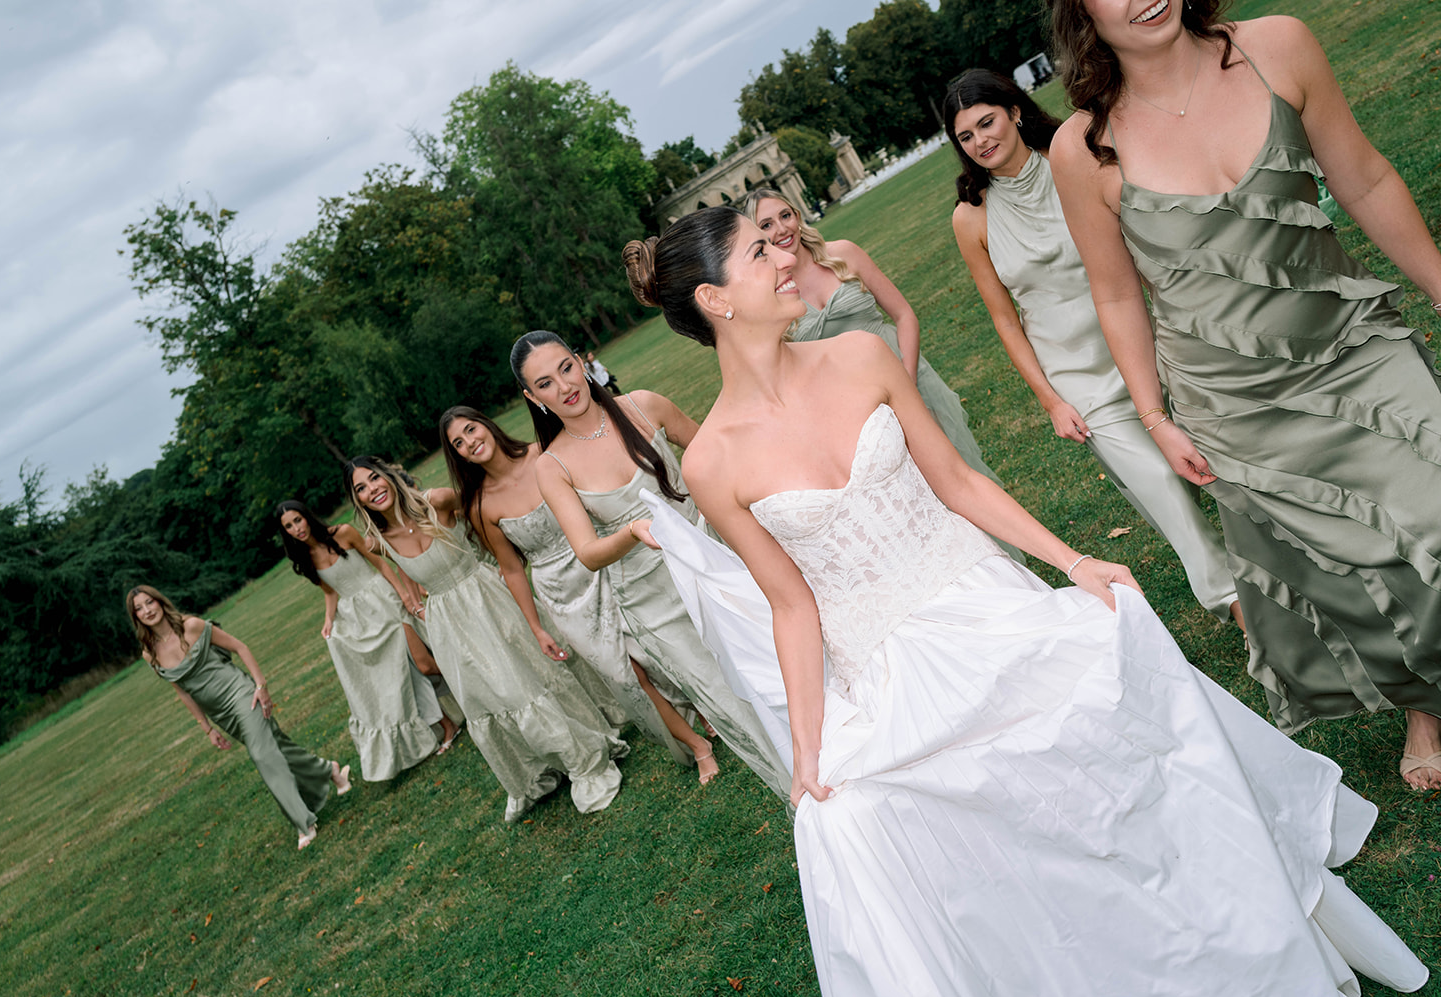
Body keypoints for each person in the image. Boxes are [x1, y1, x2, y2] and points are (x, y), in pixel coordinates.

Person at [621, 205, 1427, 997]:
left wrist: (1072, 561)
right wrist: (806, 754)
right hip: (889, 672)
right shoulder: (708, 463)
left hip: (977, 598)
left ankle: (1223, 955)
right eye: (759, 252)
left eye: (776, 241)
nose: (786, 257)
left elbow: (960, 481)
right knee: (902, 836)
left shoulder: (858, 354)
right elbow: (790, 607)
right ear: (715, 299)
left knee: (1107, 771)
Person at [1046, 1, 1441, 790]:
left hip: (1350, 351)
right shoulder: (1083, 148)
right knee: (1349, 567)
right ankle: (1424, 705)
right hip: (1233, 401)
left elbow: (1362, 177)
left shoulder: (1275, 47)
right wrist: (1154, 417)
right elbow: (1116, 296)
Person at [945, 68, 1241, 626]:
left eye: (987, 122)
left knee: (1214, 467)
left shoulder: (1075, 160)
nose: (981, 141)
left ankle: (1285, 567)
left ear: (1014, 111)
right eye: (966, 136)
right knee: (1164, 492)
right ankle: (1240, 607)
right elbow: (1005, 322)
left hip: (1148, 344)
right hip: (1078, 380)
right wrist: (1051, 400)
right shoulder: (971, 218)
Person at [514, 330, 790, 799]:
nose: (563, 387)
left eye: (565, 368)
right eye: (545, 384)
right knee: (732, 702)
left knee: (778, 670)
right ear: (532, 397)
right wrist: (630, 532)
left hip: (717, 561)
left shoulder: (643, 406)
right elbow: (587, 551)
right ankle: (800, 795)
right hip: (654, 600)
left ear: (581, 361)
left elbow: (716, 455)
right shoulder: (551, 465)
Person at [740, 189, 1022, 562]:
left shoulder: (843, 253)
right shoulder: (773, 292)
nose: (781, 230)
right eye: (766, 226)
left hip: (907, 376)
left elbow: (904, 315)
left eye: (785, 215)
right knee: (914, 502)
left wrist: (905, 383)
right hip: (852, 414)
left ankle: (1009, 562)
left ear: (797, 214)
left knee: (960, 474)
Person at [346, 455, 626, 820]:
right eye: (361, 489)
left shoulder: (438, 501)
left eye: (373, 479)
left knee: (525, 682)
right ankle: (533, 774)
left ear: (387, 476)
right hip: (447, 624)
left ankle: (583, 758)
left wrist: (499, 561)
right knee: (485, 698)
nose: (372, 490)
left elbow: (484, 518)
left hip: (485, 597)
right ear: (359, 501)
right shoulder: (375, 541)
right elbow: (409, 570)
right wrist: (414, 600)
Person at [437, 404, 713, 772]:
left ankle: (707, 709)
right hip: (563, 594)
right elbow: (512, 569)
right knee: (624, 672)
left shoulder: (546, 456)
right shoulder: (479, 505)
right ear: (456, 455)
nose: (469, 442)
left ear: (486, 425)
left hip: (604, 559)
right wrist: (537, 628)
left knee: (656, 646)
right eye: (458, 442)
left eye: (471, 430)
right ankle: (696, 745)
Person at [130, 584, 350, 849]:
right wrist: (207, 728)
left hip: (242, 694)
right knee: (277, 748)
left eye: (149, 602)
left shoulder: (193, 626)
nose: (147, 611)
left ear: (160, 602)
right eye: (139, 609)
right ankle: (330, 770)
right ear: (136, 618)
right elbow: (183, 693)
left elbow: (239, 647)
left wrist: (260, 686)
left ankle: (303, 823)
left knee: (262, 755)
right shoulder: (149, 653)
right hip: (221, 713)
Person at [276, 499, 460, 780]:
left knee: (423, 664)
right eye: (288, 526)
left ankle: (468, 692)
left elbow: (380, 564)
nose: (295, 528)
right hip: (357, 620)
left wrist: (402, 596)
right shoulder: (305, 558)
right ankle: (447, 725)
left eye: (297, 520)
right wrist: (328, 619)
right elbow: (330, 590)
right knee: (401, 676)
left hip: (382, 602)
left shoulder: (344, 533)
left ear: (307, 517)